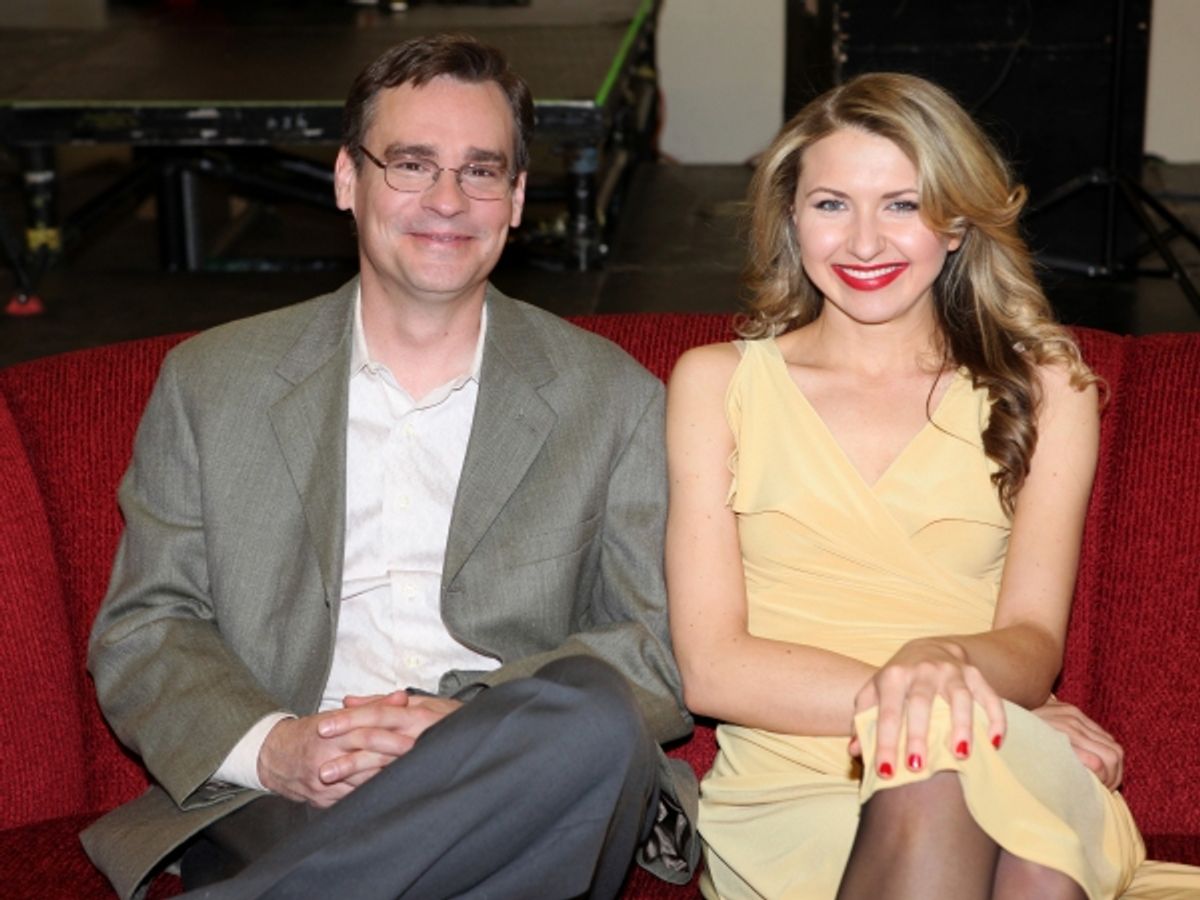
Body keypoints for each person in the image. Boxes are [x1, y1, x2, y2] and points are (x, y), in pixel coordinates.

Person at [83, 34, 697, 900]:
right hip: (296, 788)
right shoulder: (213, 384)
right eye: (411, 163)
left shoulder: (615, 400)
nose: (447, 200)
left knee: (594, 720)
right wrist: (277, 748)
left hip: (522, 772)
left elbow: (652, 650)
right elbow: (146, 627)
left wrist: (462, 731)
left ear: (517, 199)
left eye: (481, 171)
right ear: (347, 179)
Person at [665, 72, 1200, 899]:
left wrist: (944, 668)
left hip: (991, 740)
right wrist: (934, 693)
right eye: (832, 204)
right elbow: (711, 668)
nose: (865, 242)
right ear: (791, 219)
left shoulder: (1050, 386)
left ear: (956, 225)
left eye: (903, 205)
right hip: (800, 778)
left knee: (1015, 840)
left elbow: (1030, 639)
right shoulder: (715, 384)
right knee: (954, 798)